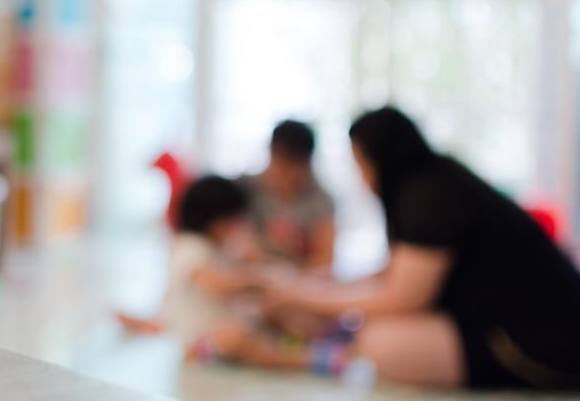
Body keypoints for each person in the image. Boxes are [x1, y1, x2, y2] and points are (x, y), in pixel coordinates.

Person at [205, 106, 580, 390]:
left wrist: (306, 295)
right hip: (511, 321)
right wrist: (312, 290)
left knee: (380, 341)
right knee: (369, 325)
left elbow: (402, 295)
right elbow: (393, 274)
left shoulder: (428, 196)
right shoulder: (432, 182)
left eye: (362, 166)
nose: (363, 180)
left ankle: (307, 353)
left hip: (534, 343)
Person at [118, 174, 258, 346]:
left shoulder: (213, 248)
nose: (237, 229)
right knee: (239, 338)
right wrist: (255, 280)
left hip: (202, 322)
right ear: (216, 222)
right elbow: (216, 284)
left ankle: (144, 322)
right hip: (199, 338)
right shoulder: (190, 247)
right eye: (234, 222)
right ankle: (297, 360)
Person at [238, 120, 335, 271]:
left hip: (295, 287)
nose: (291, 176)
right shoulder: (245, 189)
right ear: (271, 154)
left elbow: (325, 261)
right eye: (284, 165)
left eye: (298, 167)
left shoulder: (320, 200)